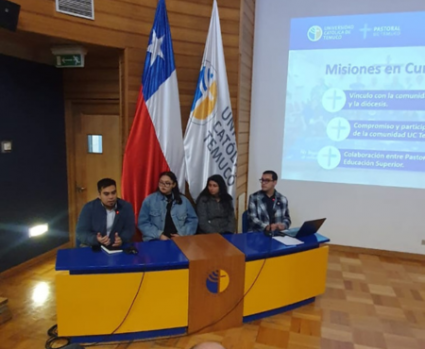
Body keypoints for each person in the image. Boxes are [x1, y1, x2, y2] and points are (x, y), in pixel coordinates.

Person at [138, 171, 198, 241]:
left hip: (180, 238)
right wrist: (159, 235)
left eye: (167, 183)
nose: (163, 185)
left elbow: (192, 220)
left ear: (174, 184)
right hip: (155, 239)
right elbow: (143, 223)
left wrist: (182, 234)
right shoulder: (149, 200)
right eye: (161, 182)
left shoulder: (184, 201)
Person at [76, 178, 135, 247]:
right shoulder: (88, 208)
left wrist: (121, 239)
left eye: (113, 193)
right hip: (93, 246)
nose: (111, 197)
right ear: (99, 195)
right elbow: (81, 232)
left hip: (116, 246)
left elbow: (130, 229)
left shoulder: (126, 207)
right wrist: (96, 239)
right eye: (106, 194)